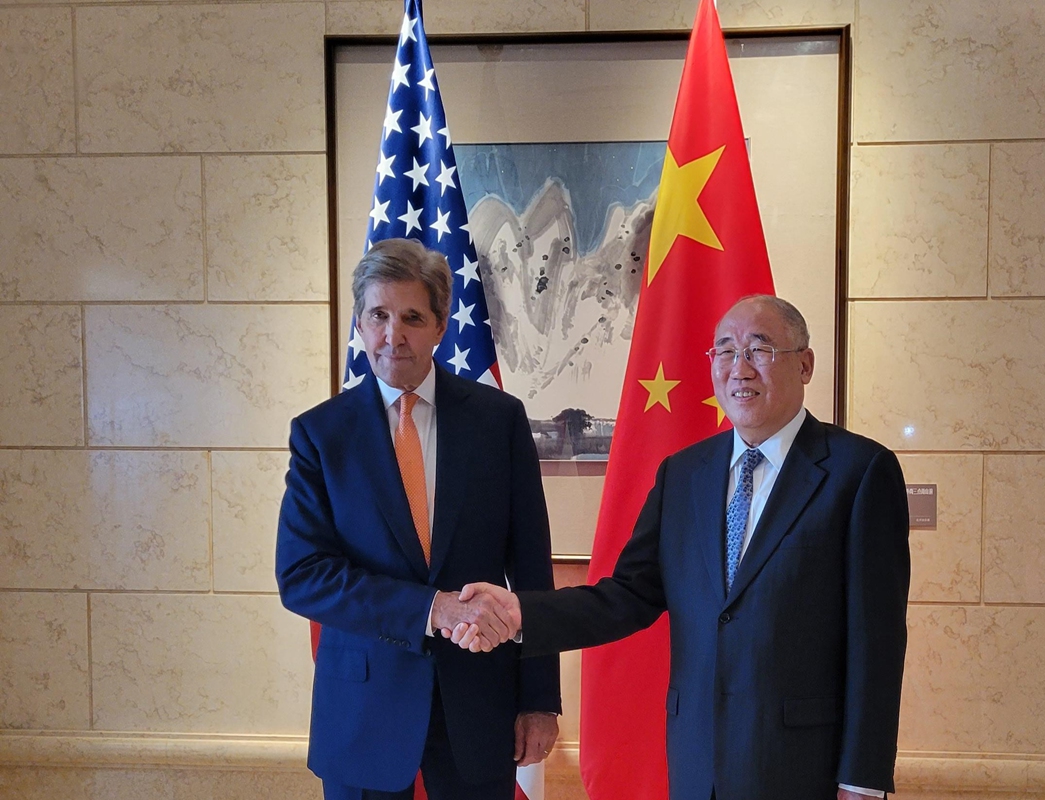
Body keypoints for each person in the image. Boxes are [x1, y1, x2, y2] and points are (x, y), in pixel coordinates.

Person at [454, 295, 910, 800]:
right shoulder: (684, 474)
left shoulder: (858, 473)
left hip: (803, 768)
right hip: (697, 762)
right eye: (725, 351)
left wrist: (862, 780)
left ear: (805, 365)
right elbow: (627, 596)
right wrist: (521, 613)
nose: (740, 369)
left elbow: (877, 643)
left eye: (759, 350)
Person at [275, 238, 561, 800]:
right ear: (359, 323)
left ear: (440, 326)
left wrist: (539, 699)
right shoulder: (321, 434)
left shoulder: (498, 421)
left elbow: (531, 570)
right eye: (378, 316)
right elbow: (303, 576)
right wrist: (432, 609)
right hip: (362, 710)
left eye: (411, 317)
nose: (393, 335)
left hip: (479, 705)